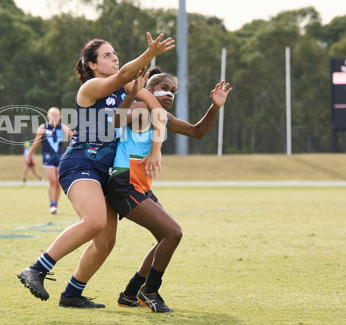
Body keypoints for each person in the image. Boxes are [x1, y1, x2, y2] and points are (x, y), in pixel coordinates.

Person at [17, 32, 175, 309]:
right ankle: (37, 269)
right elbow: (126, 74)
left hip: (104, 173)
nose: (114, 58)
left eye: (115, 54)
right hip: (80, 164)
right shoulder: (89, 89)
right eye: (106, 55)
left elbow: (157, 111)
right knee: (94, 222)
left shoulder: (125, 88)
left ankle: (71, 294)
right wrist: (150, 54)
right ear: (91, 65)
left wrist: (157, 147)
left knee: (105, 242)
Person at [108, 68, 231, 312]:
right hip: (123, 183)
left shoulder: (161, 115)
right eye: (163, 89)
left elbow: (197, 132)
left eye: (173, 91)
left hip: (140, 186)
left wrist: (215, 107)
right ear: (149, 91)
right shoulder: (142, 108)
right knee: (173, 233)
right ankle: (150, 291)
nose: (169, 94)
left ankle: (131, 293)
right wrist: (133, 94)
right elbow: (116, 121)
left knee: (165, 238)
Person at [25, 107, 73, 214]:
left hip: (59, 158)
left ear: (60, 117)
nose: (55, 118)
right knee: (52, 180)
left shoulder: (62, 127)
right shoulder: (43, 127)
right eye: (53, 115)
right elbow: (36, 142)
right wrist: (29, 155)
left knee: (58, 182)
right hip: (48, 158)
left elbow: (73, 137)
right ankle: (52, 204)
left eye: (57, 115)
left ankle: (55, 204)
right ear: (48, 116)